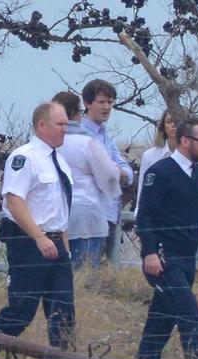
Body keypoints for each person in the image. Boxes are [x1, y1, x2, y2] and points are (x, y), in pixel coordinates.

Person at [0, 102, 75, 359]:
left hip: (56, 244)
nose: (64, 130)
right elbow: (13, 200)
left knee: (64, 315)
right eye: (60, 125)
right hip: (29, 243)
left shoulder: (59, 161)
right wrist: (38, 237)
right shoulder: (25, 157)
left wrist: (64, 245)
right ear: (42, 125)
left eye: (66, 125)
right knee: (20, 312)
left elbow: (59, 209)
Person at [136, 119, 198, 359]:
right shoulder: (160, 172)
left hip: (188, 258)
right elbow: (144, 215)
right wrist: (150, 252)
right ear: (185, 141)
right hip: (164, 257)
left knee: (161, 319)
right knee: (189, 312)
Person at [53, 91, 122, 269]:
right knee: (84, 273)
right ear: (77, 113)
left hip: (52, 215)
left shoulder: (46, 143)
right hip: (85, 215)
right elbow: (110, 175)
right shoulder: (86, 142)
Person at [80, 79, 133, 262]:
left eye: (110, 102)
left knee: (107, 278)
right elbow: (104, 173)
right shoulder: (81, 136)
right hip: (89, 218)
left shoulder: (105, 137)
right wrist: (115, 172)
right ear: (87, 103)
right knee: (86, 275)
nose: (107, 107)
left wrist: (120, 173)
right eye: (101, 102)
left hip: (110, 215)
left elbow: (125, 171)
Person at [135, 110, 177, 217]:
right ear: (163, 126)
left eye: (177, 121)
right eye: (169, 121)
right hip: (156, 217)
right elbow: (143, 189)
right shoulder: (150, 156)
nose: (173, 125)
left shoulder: (192, 155)